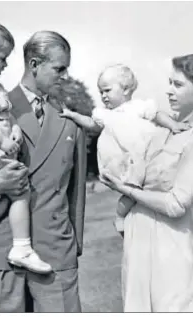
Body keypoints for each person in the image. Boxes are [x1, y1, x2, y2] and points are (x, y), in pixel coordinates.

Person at [0, 30, 87, 313]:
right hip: (0, 249)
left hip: (56, 251)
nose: (64, 76)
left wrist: (72, 243)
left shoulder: (70, 117)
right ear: (34, 64)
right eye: (59, 68)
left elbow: (75, 190)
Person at [100, 54, 193, 312]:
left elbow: (176, 204)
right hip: (138, 243)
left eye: (178, 84)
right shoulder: (162, 130)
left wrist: (125, 189)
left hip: (173, 247)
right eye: (169, 83)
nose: (169, 90)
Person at [60, 64, 190, 234]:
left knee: (153, 185)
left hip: (144, 156)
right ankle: (120, 217)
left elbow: (158, 115)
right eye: (101, 92)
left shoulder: (139, 106)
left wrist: (174, 125)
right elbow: (92, 125)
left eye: (107, 90)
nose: (103, 96)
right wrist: (73, 115)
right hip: (121, 162)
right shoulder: (104, 114)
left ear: (126, 89)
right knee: (130, 193)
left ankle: (157, 219)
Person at [0, 17, 52, 275]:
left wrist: (13, 130)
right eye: (2, 58)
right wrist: (1, 140)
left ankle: (19, 247)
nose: (6, 64)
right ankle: (21, 247)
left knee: (11, 192)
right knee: (19, 189)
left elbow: (7, 116)